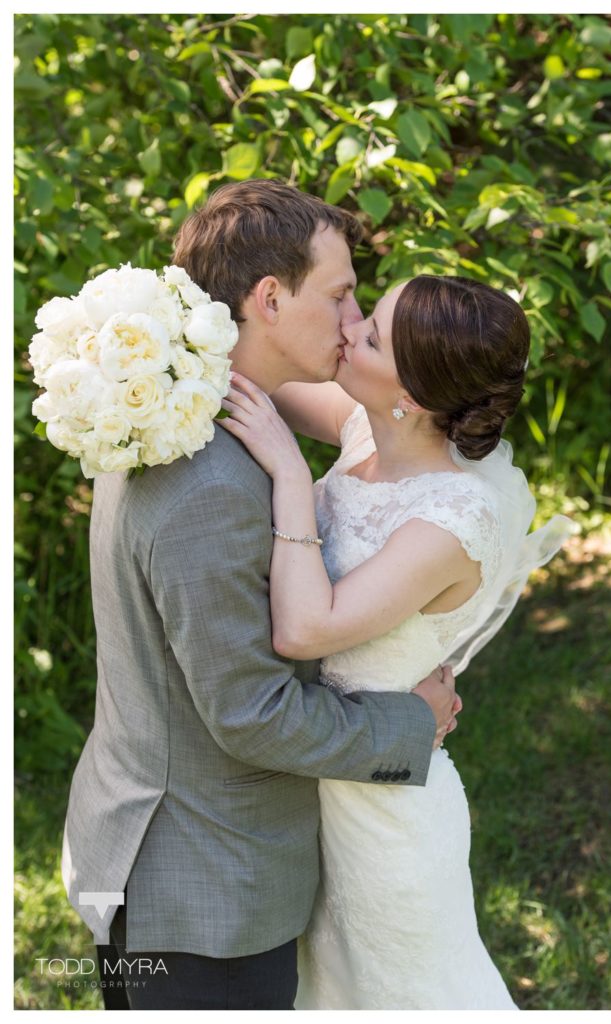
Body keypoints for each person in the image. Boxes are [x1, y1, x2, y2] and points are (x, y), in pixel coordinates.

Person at [60, 181, 461, 1011]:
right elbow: (251, 714)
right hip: (203, 894)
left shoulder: (169, 406)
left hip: (155, 853)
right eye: (342, 295)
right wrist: (410, 722)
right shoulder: (204, 476)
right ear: (270, 298)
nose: (355, 323)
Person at [217, 273, 575, 1009]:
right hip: (314, 780)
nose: (349, 328)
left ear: (413, 394)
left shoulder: (453, 519)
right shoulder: (365, 427)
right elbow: (256, 378)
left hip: (385, 824)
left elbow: (304, 628)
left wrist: (289, 471)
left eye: (372, 334)